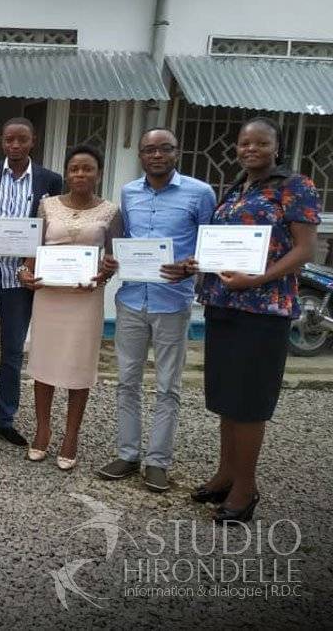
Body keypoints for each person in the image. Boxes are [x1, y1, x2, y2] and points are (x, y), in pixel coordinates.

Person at [188, 117, 320, 523]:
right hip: (224, 305)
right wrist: (198, 263)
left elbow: (304, 250)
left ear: (275, 148)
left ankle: (246, 491)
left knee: (249, 404)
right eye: (244, 143)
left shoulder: (294, 186)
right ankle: (226, 475)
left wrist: (258, 278)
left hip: (264, 309)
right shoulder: (238, 188)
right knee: (227, 398)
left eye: (260, 143)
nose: (250, 149)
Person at [95, 128, 216, 492]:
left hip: (173, 302)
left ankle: (158, 461)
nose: (156, 155)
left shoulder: (200, 193)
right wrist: (114, 261)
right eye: (149, 150)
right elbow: (124, 241)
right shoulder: (129, 193)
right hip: (131, 299)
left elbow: (210, 248)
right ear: (141, 156)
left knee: (168, 386)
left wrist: (191, 266)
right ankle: (128, 454)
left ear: (176, 152)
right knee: (126, 381)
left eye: (164, 149)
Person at [0, 117, 63, 448]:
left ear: (33, 140)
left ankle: (4, 418)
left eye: (22, 140)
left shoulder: (50, 180)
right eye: (9, 140)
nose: (15, 145)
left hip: (21, 279)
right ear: (1, 142)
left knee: (13, 351)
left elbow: (53, 227)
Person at [19, 145, 120, 470]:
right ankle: (43, 429)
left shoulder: (110, 211)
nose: (80, 174)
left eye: (87, 168)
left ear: (99, 173)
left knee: (79, 366)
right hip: (50, 296)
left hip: (84, 298)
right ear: (67, 172)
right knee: (44, 364)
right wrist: (25, 272)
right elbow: (33, 248)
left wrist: (103, 275)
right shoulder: (47, 206)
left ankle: (71, 435)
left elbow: (113, 258)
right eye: (74, 168)